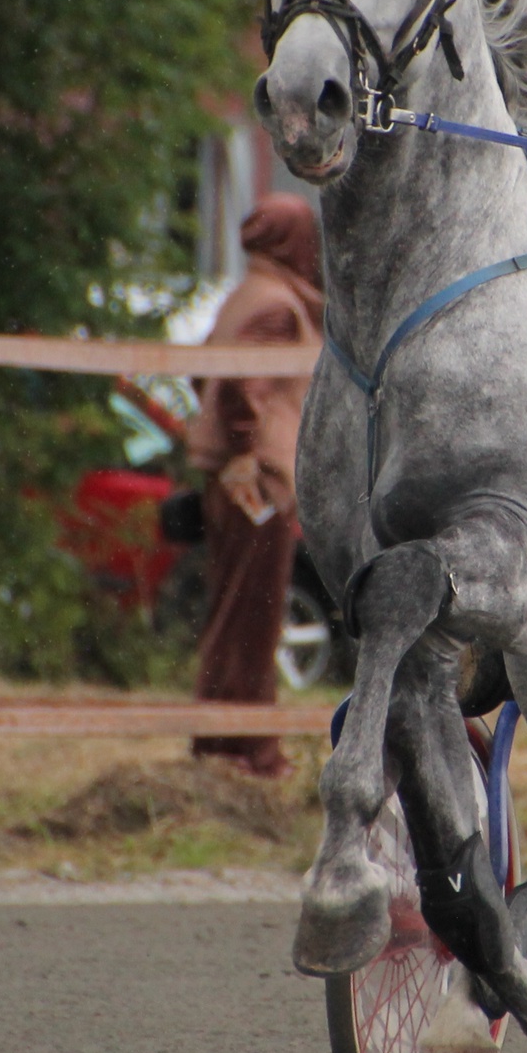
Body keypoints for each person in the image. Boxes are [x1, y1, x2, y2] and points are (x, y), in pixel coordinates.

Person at [184, 195, 324, 777]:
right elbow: (243, 385)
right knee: (255, 617)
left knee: (233, 610)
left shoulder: (246, 294)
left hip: (235, 477)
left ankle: (220, 742)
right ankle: (250, 749)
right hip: (258, 482)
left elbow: (201, 374)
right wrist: (243, 451)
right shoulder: (277, 306)